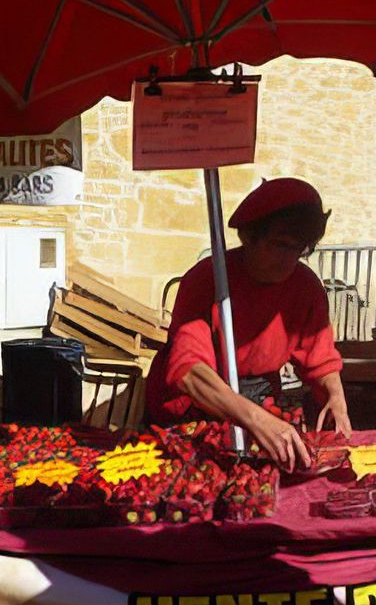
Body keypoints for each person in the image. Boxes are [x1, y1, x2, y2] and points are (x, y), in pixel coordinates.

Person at [143, 177, 349, 470]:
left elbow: (321, 360)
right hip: (193, 409)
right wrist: (255, 419)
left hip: (261, 399)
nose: (290, 259)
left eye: (300, 249)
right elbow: (189, 372)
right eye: (281, 245)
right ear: (249, 237)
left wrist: (335, 397)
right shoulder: (206, 280)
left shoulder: (305, 287)